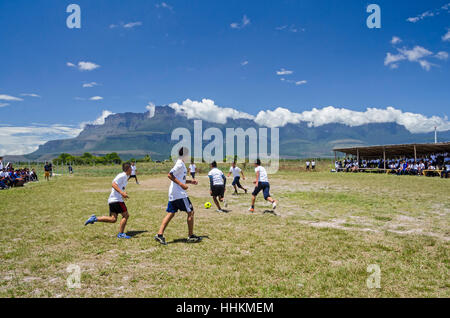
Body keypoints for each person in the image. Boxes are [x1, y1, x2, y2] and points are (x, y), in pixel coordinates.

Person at [154, 147, 201, 245]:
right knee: (191, 212)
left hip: (174, 193)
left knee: (171, 213)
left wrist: (190, 181)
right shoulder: (180, 164)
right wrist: (181, 184)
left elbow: (179, 178)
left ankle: (159, 235)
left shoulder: (181, 164)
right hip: (179, 194)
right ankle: (191, 236)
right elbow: (170, 175)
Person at [84, 163, 133, 239]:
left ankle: (95, 218)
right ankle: (121, 234)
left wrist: (123, 193)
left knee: (113, 219)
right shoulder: (122, 175)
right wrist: (121, 193)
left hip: (113, 200)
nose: (132, 170)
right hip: (117, 200)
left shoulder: (125, 177)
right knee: (126, 215)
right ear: (128, 169)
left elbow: (120, 186)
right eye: (131, 168)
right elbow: (113, 184)